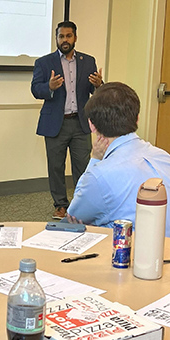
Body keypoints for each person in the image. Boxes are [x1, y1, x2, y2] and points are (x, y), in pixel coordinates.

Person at [65, 82, 170, 242]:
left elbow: (73, 216)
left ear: (91, 125)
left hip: (142, 255)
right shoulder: (166, 158)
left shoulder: (100, 175)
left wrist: (94, 160)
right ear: (137, 119)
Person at [31, 20, 103, 220]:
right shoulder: (44, 63)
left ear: (75, 38)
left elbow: (94, 90)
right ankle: (60, 205)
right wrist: (49, 87)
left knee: (83, 166)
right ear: (56, 38)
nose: (64, 40)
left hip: (80, 123)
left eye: (68, 36)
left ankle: (81, 204)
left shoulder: (88, 61)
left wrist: (99, 85)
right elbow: (35, 89)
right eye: (61, 36)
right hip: (56, 124)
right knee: (56, 167)